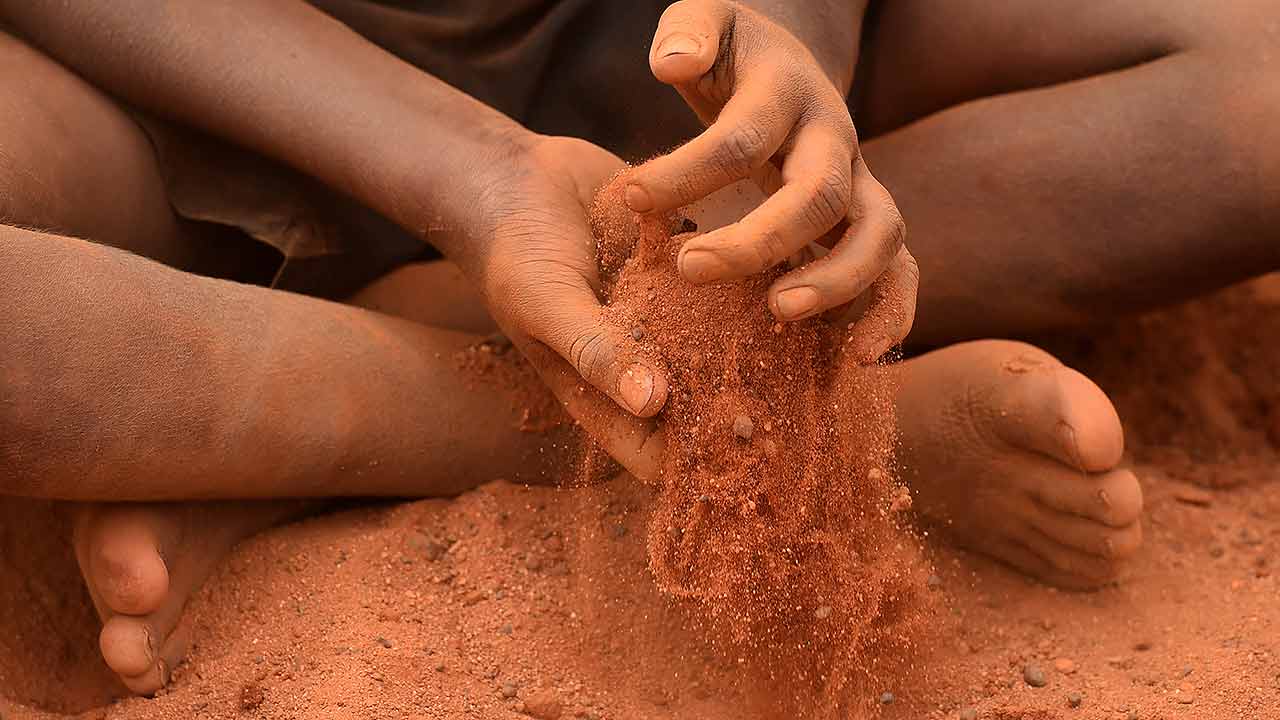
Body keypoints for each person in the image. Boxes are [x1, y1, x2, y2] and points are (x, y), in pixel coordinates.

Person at [4, 0, 1269, 695]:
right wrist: (476, 172)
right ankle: (726, 417)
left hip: (651, 61)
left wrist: (785, 54)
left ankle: (317, 384)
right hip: (206, 69)